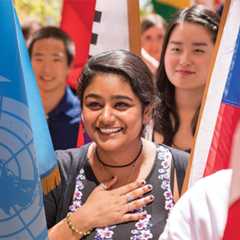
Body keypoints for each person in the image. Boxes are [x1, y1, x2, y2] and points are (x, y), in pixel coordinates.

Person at [44, 49, 188, 239]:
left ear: (147, 111)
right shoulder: (57, 170)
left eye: (121, 105)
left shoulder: (181, 169)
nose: (106, 117)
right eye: (94, 104)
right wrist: (82, 220)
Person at [153, 5, 220, 152]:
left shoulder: (227, 119)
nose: (184, 60)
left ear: (218, 54)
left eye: (198, 50)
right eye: (176, 49)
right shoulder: (144, 112)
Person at [29, 26, 89, 150]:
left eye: (56, 60)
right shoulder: (15, 112)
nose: (47, 69)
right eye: (39, 59)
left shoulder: (85, 120)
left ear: (70, 65)